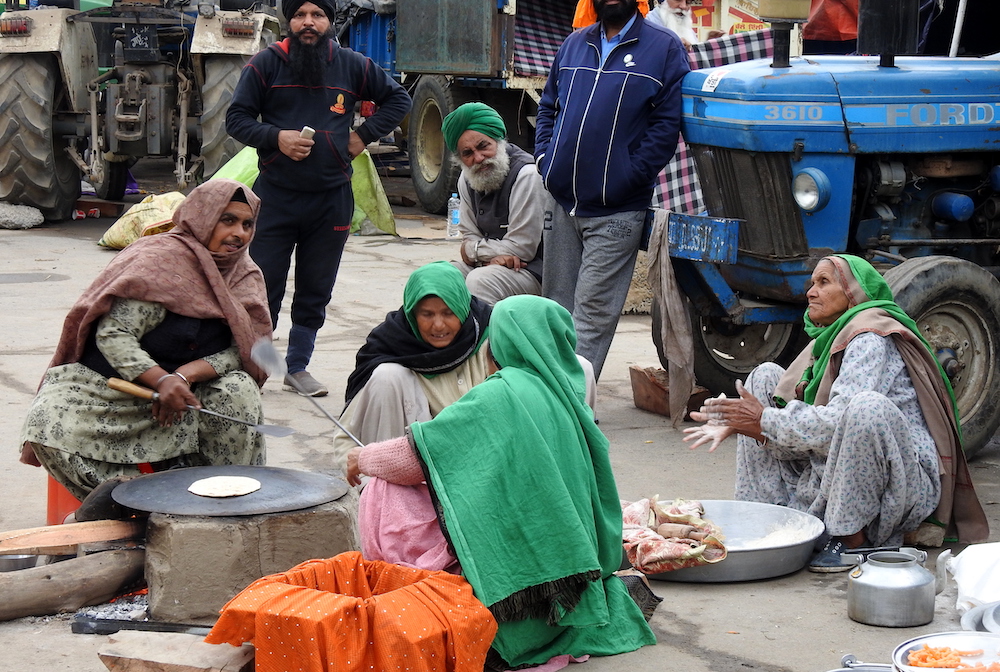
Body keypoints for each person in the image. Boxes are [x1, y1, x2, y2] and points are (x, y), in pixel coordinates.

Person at [345, 295, 656, 669]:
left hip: (524, 593)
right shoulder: (565, 392)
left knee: (382, 488)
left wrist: (361, 458)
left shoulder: (502, 392)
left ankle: (420, 596)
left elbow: (414, 458)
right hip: (571, 578)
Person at [684, 255, 989, 572]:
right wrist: (751, 427)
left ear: (854, 293)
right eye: (812, 284)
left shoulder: (871, 338)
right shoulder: (827, 342)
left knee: (865, 406)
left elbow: (836, 426)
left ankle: (849, 536)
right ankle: (766, 516)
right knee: (764, 377)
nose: (810, 293)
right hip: (833, 463)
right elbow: (807, 439)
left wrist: (763, 421)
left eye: (824, 282)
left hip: (896, 484)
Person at [19, 179, 273, 502]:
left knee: (239, 390)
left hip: (192, 400)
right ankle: (132, 501)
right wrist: (160, 380)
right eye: (228, 220)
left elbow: (247, 351)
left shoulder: (245, 276)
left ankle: (220, 500)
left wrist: (186, 376)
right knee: (47, 417)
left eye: (247, 224)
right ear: (203, 218)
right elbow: (114, 335)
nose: (239, 233)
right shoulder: (160, 262)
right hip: (122, 391)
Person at [226, 0, 411, 397]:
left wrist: (362, 137)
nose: (308, 23)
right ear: (287, 21)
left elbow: (399, 100)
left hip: (331, 199)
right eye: (299, 15)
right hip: (275, 197)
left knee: (316, 287)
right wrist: (277, 137)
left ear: (329, 21)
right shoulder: (266, 63)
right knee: (262, 286)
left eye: (317, 15)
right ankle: (254, 368)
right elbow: (236, 119)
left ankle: (297, 368)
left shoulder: (352, 64)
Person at [535, 0, 690, 380]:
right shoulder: (574, 44)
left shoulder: (664, 48)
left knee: (592, 316)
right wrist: (545, 160)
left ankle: (571, 410)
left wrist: (628, 176)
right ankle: (550, 403)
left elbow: (667, 126)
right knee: (556, 310)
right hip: (562, 201)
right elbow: (548, 106)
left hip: (617, 211)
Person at [331, 261, 494, 470]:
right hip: (410, 465)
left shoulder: (489, 341)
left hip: (480, 461)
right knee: (387, 376)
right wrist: (360, 465)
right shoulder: (391, 344)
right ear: (412, 314)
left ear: (462, 308)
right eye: (427, 314)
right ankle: (385, 492)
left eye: (448, 313)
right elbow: (349, 434)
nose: (438, 325)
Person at [441, 102, 545, 305]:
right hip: (491, 266)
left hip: (533, 272)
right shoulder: (467, 178)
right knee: (441, 276)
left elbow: (521, 249)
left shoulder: (527, 175)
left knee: (480, 281)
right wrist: (489, 258)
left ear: (499, 141)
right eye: (467, 153)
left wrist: (475, 253)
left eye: (483, 146)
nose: (478, 158)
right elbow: (468, 240)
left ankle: (489, 337)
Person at [646, 0, 725, 49]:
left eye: (688, 2)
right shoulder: (646, 23)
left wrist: (708, 44)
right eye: (678, 0)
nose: (683, 6)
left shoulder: (687, 29)